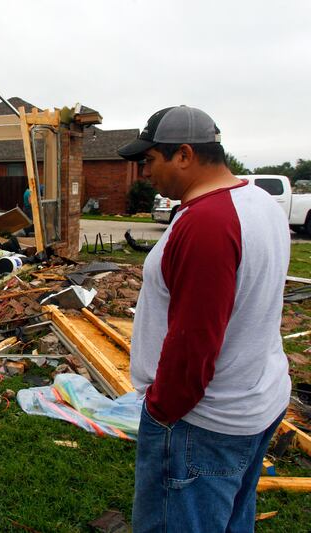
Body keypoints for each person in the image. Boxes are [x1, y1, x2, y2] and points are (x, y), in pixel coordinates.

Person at [117, 106, 291, 533]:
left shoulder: (208, 224)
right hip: (256, 398)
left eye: (150, 160)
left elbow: (195, 343)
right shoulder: (259, 202)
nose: (145, 173)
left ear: (184, 155)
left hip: (202, 423)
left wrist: (161, 412)